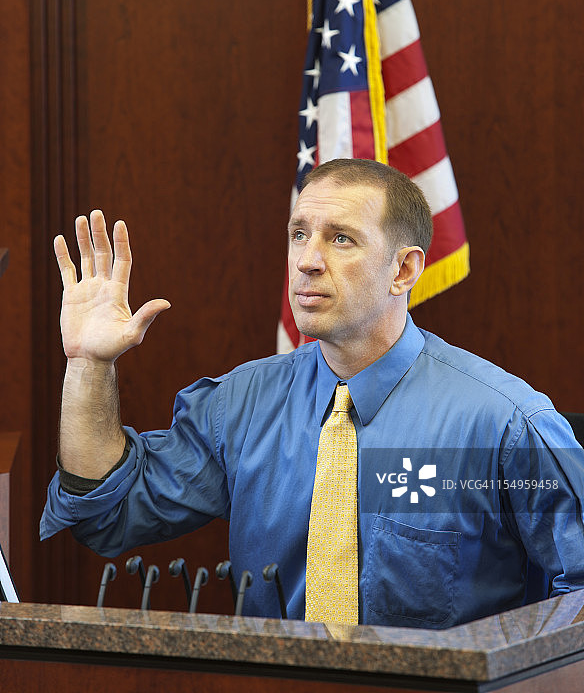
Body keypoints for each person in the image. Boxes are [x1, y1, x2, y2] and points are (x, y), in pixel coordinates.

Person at [41, 158, 584, 628]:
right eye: (299, 234)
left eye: (340, 238)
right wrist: (89, 364)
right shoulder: (243, 405)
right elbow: (105, 513)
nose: (307, 260)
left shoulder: (506, 424)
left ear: (403, 269)